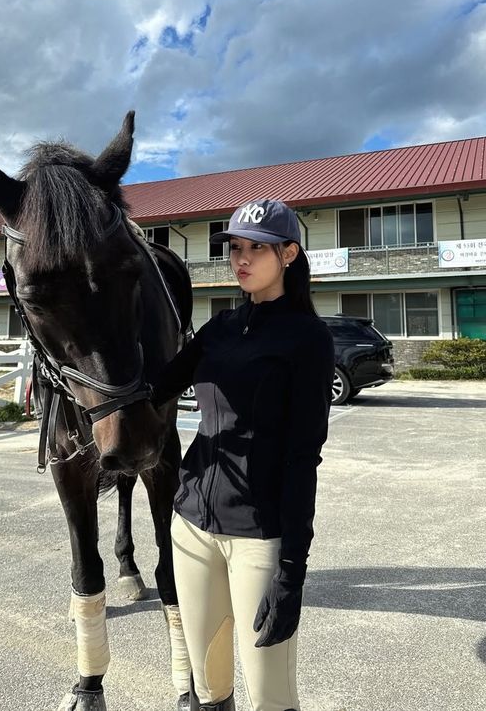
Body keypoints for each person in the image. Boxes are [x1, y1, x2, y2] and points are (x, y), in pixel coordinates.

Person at [151, 198, 335, 711]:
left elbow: (304, 459)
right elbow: (155, 388)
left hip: (259, 538)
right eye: (235, 248)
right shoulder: (219, 330)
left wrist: (291, 573)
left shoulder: (308, 340)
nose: (242, 259)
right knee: (209, 688)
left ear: (290, 254)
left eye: (257, 248)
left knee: (271, 695)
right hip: (191, 525)